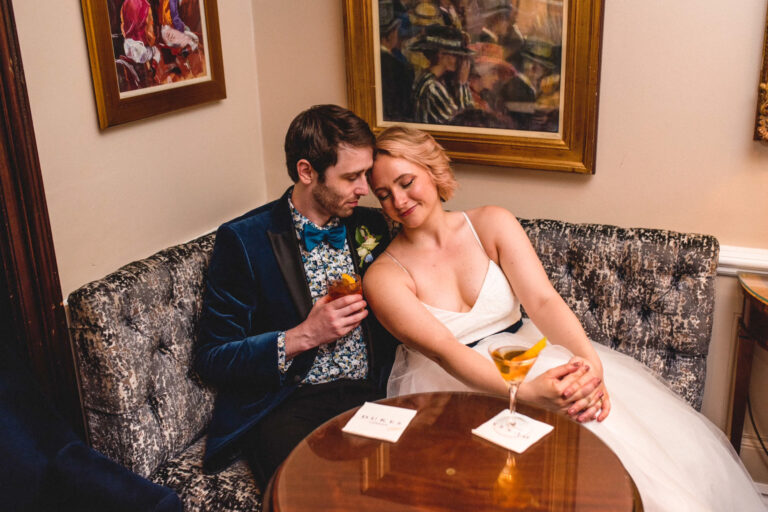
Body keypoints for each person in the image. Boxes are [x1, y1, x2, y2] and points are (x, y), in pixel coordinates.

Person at [363, 125, 766, 512]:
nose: (398, 201)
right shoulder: (384, 277)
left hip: (530, 354)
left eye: (405, 181)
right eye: (383, 194)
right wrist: (525, 395)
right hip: (450, 387)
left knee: (607, 447)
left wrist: (591, 366)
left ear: (432, 171)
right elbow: (448, 353)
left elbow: (542, 301)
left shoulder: (491, 223)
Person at [194, 105, 398, 487]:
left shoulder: (372, 226)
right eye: (351, 176)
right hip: (288, 404)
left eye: (366, 174)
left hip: (373, 396)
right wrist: (304, 335)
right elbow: (212, 357)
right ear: (307, 171)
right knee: (310, 494)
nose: (364, 189)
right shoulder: (244, 240)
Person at [409, 24, 474, 125]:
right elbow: (465, 123)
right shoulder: (432, 87)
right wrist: (462, 85)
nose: (458, 60)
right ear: (440, 54)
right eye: (454, 55)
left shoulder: (430, 80)